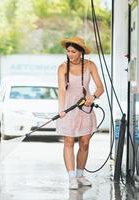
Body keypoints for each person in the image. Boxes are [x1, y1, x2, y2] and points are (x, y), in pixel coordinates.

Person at [56, 36, 104, 190]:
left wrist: (93, 96)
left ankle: (80, 174)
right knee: (68, 143)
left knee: (84, 143)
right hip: (69, 110)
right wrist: (61, 109)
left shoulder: (90, 65)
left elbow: (100, 88)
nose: (70, 54)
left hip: (85, 109)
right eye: (68, 51)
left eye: (73, 51)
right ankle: (72, 178)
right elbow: (62, 90)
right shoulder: (63, 67)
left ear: (81, 52)